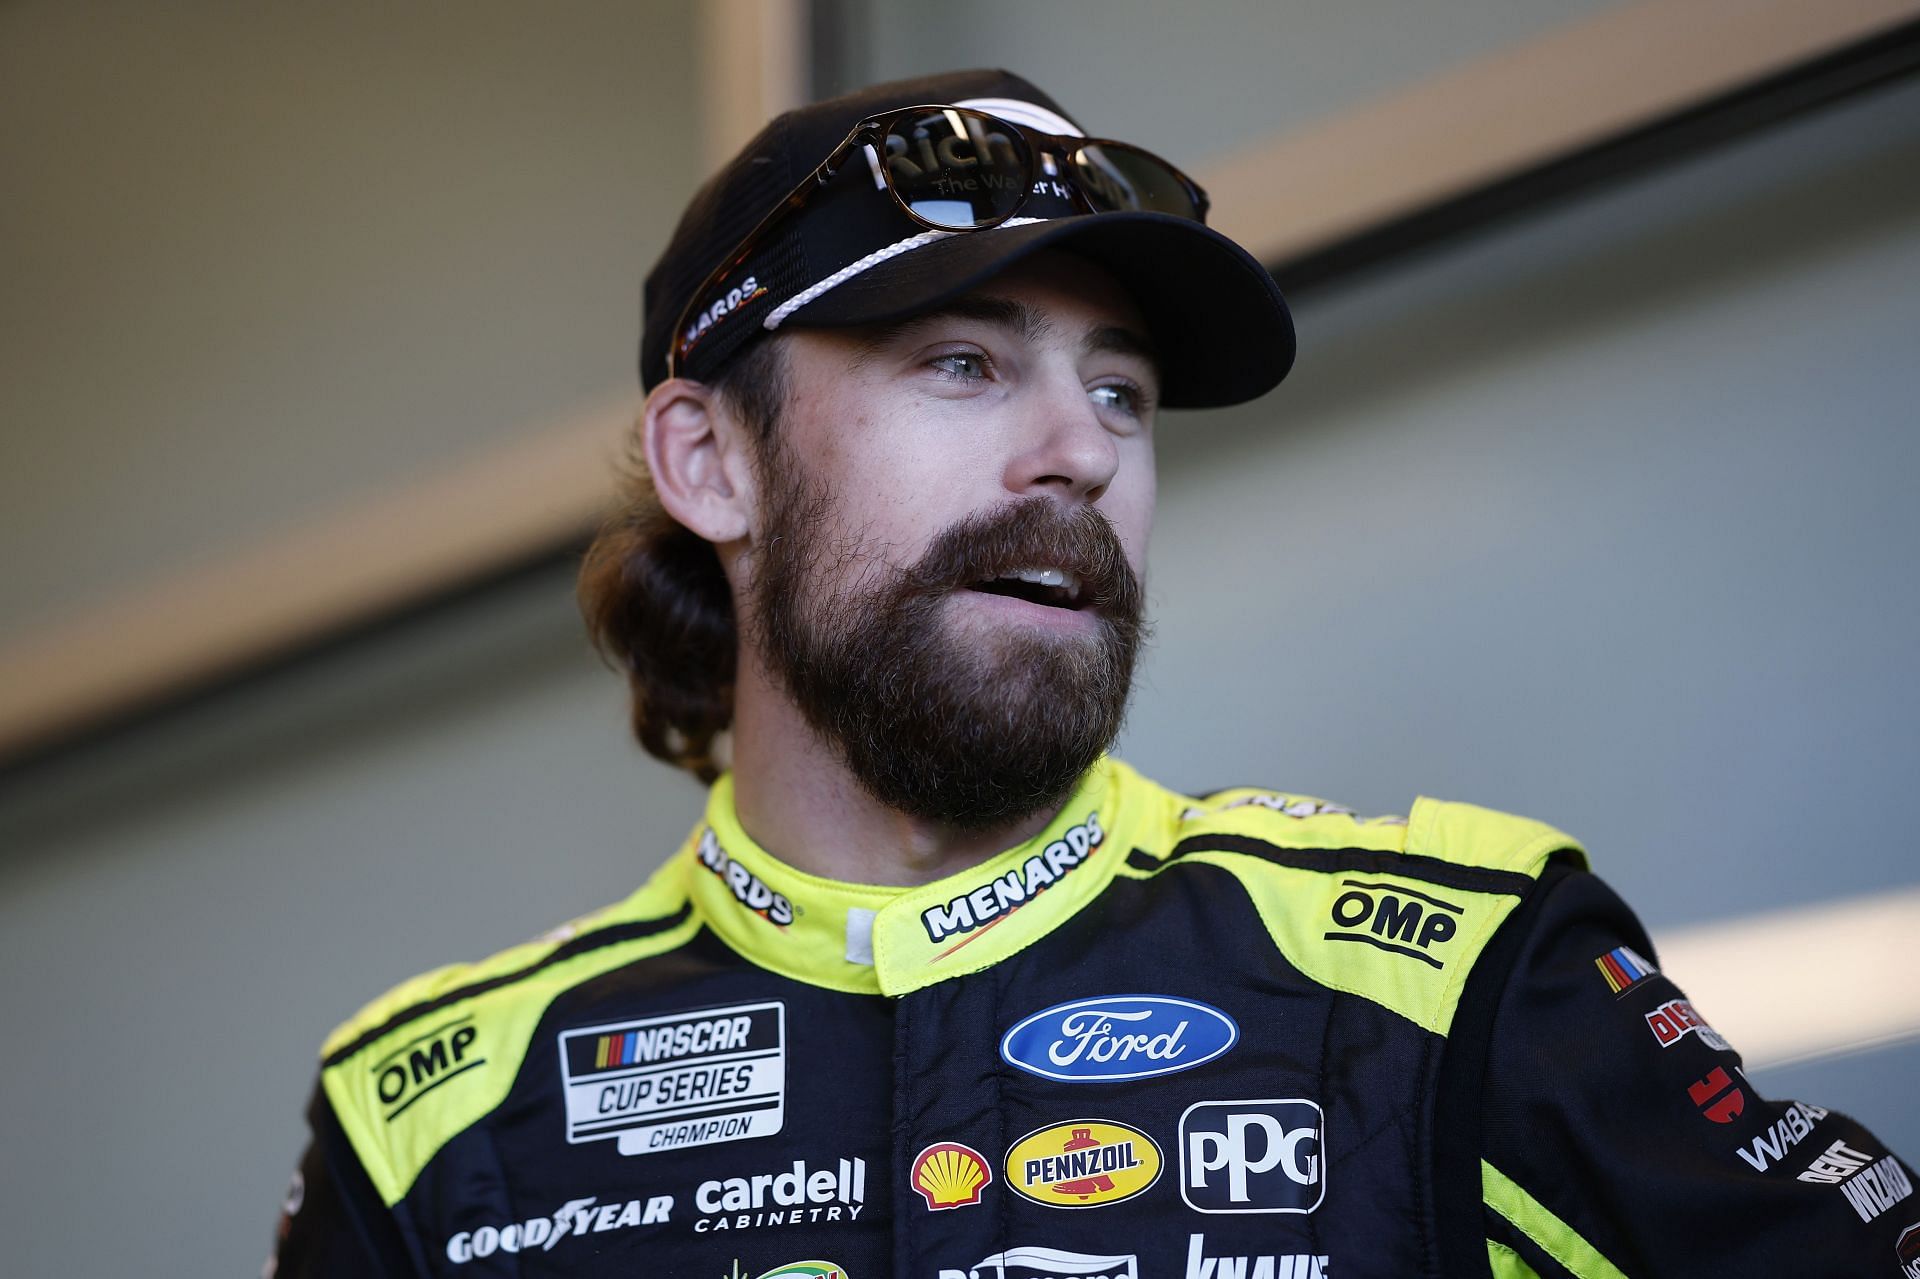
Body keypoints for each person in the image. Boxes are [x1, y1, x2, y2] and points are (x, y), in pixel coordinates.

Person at [270, 69, 1915, 1279]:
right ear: (711, 465)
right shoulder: (432, 1124)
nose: (1080, 455)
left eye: (1123, 392)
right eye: (965, 363)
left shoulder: (1448, 976)